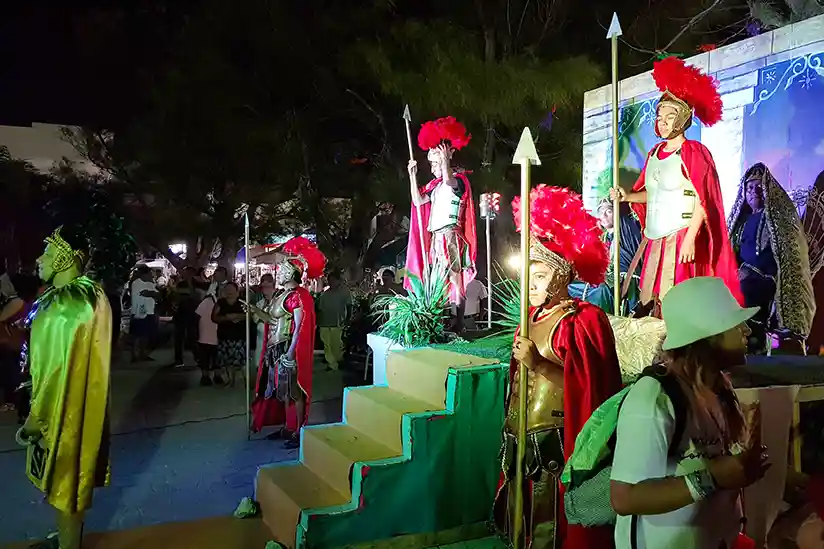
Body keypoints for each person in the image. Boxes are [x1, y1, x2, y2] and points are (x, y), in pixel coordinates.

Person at [494, 185, 624, 549]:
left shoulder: (583, 321)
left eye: (538, 276)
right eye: (527, 276)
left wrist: (537, 362)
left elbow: (589, 390)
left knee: (554, 529)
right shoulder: (529, 318)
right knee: (521, 524)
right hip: (520, 439)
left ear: (561, 274)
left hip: (559, 445)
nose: (530, 285)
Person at [610, 276, 770, 549]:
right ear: (706, 336)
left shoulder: (721, 390)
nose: (746, 330)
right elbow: (624, 498)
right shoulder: (653, 397)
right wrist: (712, 478)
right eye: (734, 323)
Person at [611, 57, 742, 316]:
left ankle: (684, 351)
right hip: (656, 237)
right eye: (660, 116)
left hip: (681, 235)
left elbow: (702, 201)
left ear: (682, 119)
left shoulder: (693, 152)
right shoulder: (654, 153)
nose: (662, 121)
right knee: (650, 298)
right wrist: (628, 197)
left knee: (677, 301)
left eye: (670, 116)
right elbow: (654, 194)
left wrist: (691, 238)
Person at [16, 226, 112, 549]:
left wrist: (35, 419)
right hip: (83, 403)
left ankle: (69, 544)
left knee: (64, 478)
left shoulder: (62, 306)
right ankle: (69, 536)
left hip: (58, 410)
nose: (40, 260)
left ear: (63, 256)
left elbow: (53, 373)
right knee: (73, 478)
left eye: (47, 252)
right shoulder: (91, 294)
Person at [728, 162, 816, 352]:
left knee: (746, 288)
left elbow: (786, 256)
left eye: (759, 186)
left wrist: (750, 273)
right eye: (750, 187)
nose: (754, 191)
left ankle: (754, 341)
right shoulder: (741, 221)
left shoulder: (776, 220)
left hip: (766, 278)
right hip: (741, 275)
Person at [248, 237, 325, 449]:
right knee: (282, 392)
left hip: (287, 349)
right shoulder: (284, 295)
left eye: (283, 270)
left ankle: (299, 430)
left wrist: (291, 353)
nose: (279, 273)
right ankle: (287, 426)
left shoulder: (300, 296)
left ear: (292, 273)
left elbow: (301, 326)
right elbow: (273, 321)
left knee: (294, 391)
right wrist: (253, 310)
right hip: (275, 349)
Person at [405, 116, 478, 330]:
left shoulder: (457, 181)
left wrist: (445, 160)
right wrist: (412, 176)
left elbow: (449, 180)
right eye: (432, 164)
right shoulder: (434, 186)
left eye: (435, 163)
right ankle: (441, 317)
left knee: (455, 276)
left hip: (450, 235)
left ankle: (458, 321)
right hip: (436, 236)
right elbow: (418, 201)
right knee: (437, 277)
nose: (433, 168)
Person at [569, 199, 643, 315]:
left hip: (624, 281)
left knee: (601, 290)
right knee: (569, 287)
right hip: (606, 280)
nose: (603, 216)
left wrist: (619, 197)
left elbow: (628, 210)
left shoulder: (625, 230)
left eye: (608, 211)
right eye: (600, 212)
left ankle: (604, 322)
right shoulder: (603, 238)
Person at [211, 282, 246, 387]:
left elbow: (250, 315)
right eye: (227, 289)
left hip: (239, 336)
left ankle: (244, 381)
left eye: (231, 289)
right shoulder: (220, 303)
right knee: (227, 361)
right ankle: (231, 380)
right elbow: (213, 317)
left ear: (237, 290)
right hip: (224, 336)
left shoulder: (242, 302)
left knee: (240, 360)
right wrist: (226, 318)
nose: (229, 291)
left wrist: (238, 316)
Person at [317, 271, 351, 371]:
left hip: (337, 322)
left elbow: (349, 306)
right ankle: (332, 364)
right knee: (327, 345)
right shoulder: (325, 294)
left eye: (333, 280)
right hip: (324, 323)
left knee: (336, 344)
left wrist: (348, 319)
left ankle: (336, 360)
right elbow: (320, 309)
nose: (331, 282)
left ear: (338, 280)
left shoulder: (344, 292)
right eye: (329, 280)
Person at [170, 266, 200, 368]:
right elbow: (176, 297)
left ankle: (198, 358)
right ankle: (178, 360)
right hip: (180, 314)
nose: (187, 275)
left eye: (189, 273)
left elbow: (197, 297)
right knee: (178, 338)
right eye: (186, 273)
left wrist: (190, 284)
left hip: (192, 314)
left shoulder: (198, 284)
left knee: (193, 338)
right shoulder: (180, 284)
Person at [130, 265, 159, 362]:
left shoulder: (150, 283)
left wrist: (151, 293)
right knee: (138, 335)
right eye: (149, 273)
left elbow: (156, 294)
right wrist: (151, 293)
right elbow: (146, 293)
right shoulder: (136, 283)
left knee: (146, 334)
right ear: (144, 274)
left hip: (150, 311)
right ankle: (135, 355)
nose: (151, 275)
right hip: (139, 312)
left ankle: (143, 354)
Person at [195, 291, 221, 386]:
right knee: (205, 357)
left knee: (218, 357)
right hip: (205, 335)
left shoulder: (225, 302)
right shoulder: (207, 301)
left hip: (220, 335)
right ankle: (205, 376)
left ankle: (217, 375)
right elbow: (197, 315)